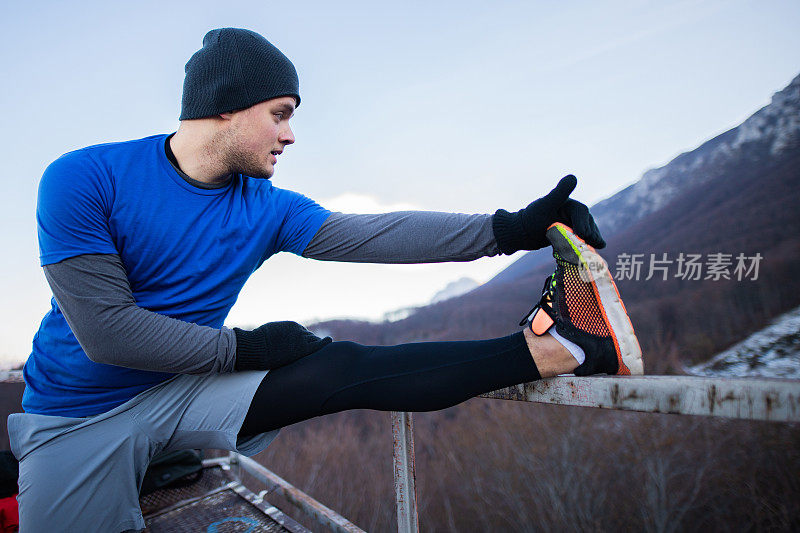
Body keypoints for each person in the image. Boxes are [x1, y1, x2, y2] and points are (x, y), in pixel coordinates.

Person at [8, 28, 642, 532]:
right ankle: (141, 463)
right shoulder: (84, 179)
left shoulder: (267, 206)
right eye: (280, 114)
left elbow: (378, 235)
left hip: (182, 386)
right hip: (76, 415)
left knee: (338, 370)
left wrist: (513, 229)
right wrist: (250, 348)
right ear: (226, 106)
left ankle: (562, 348)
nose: (290, 134)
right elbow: (109, 335)